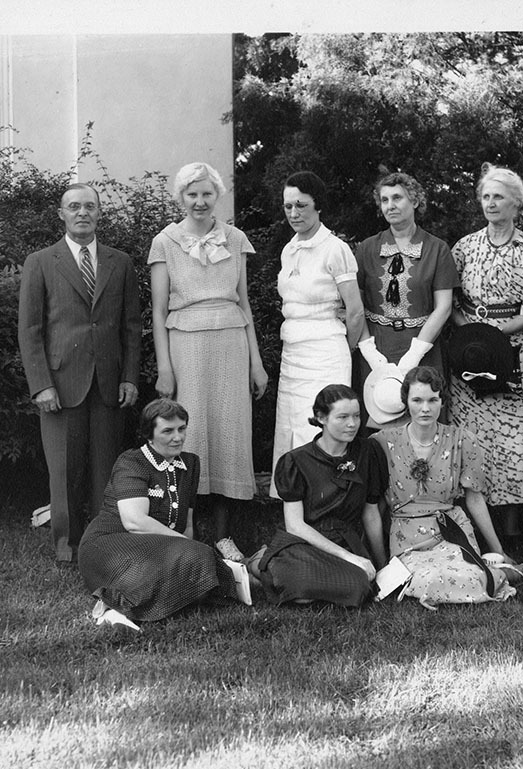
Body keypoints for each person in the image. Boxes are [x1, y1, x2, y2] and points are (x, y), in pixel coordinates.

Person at [18, 182, 141, 563]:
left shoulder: (120, 262)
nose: (82, 213)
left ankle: (102, 545)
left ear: (99, 213)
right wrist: (41, 385)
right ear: (61, 214)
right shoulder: (41, 262)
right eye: (74, 207)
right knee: (64, 472)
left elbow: (131, 327)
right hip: (59, 383)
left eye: (89, 206)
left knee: (105, 470)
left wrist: (129, 376)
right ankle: (67, 548)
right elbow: (30, 330)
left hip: (108, 382)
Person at [149, 162, 268, 554]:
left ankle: (222, 536)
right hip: (187, 347)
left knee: (229, 434)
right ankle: (185, 532)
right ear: (180, 197)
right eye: (192, 194)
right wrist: (164, 367)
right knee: (192, 431)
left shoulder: (235, 239)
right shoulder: (165, 241)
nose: (199, 201)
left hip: (231, 345)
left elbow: (244, 303)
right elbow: (158, 311)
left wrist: (256, 362)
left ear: (217, 196)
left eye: (206, 194)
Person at [450, 164, 523, 539]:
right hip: (471, 353)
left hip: (515, 352)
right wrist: (473, 335)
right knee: (472, 438)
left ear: (516, 204)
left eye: (499, 197)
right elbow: (449, 300)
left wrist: (495, 333)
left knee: (515, 443)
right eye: (486, 196)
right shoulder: (465, 246)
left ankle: (511, 530)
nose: (491, 203)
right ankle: (474, 526)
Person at [78, 399, 251, 628]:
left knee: (195, 562)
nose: (177, 437)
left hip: (159, 546)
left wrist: (188, 553)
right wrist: (188, 548)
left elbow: (187, 523)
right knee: (196, 557)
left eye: (182, 429)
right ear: (149, 435)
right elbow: (134, 522)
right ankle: (113, 607)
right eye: (168, 431)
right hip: (111, 543)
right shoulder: (132, 462)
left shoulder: (190, 463)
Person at [370, 366, 518, 610]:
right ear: (406, 402)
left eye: (433, 400)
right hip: (407, 538)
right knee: (425, 578)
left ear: (442, 401)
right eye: (417, 400)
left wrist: (498, 549)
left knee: (473, 577)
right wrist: (382, 564)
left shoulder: (462, 440)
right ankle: (484, 577)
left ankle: (489, 571)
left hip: (451, 531)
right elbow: (374, 506)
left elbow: (475, 500)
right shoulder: (383, 442)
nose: (425, 408)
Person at [270, 172, 365, 497]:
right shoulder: (289, 250)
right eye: (288, 206)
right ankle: (293, 504)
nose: (294, 213)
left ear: (318, 205)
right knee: (293, 425)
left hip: (326, 354)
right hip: (293, 354)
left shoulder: (335, 249)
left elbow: (355, 312)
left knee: (323, 427)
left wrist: (342, 349)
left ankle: (329, 505)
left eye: (301, 205)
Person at [249, 385, 386, 607]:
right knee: (303, 592)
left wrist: (382, 565)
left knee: (358, 587)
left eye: (356, 416)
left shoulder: (367, 452)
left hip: (346, 540)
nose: (352, 424)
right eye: (342, 417)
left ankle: (275, 574)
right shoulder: (296, 461)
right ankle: (258, 564)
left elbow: (370, 513)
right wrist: (349, 558)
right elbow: (295, 525)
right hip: (306, 542)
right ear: (321, 418)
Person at [354, 172, 459, 426]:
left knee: (424, 423)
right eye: (384, 200)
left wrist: (415, 354)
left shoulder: (437, 249)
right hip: (377, 347)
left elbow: (444, 308)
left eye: (397, 198)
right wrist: (370, 352)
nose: (390, 205)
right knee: (379, 427)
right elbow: (355, 306)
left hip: (423, 347)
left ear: (415, 201)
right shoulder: (367, 248)